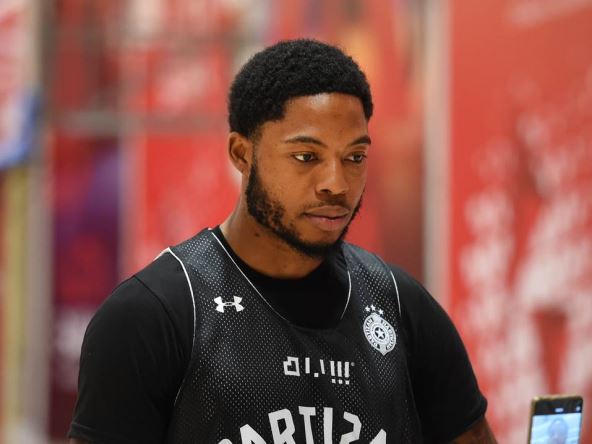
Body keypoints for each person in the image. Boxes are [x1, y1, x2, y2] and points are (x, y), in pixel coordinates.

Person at [68, 39, 496, 443]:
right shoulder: (153, 316)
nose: (336, 184)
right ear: (242, 154)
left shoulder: (402, 308)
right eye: (306, 157)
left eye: (354, 157)